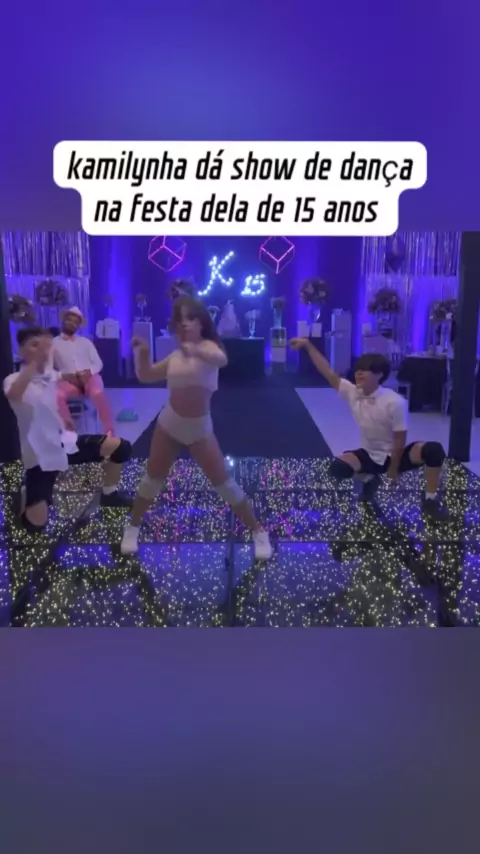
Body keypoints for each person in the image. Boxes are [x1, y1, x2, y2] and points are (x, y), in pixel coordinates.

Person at [121, 295, 273, 559]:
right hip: (169, 424)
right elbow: (146, 375)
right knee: (152, 479)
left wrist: (195, 350)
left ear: (202, 322)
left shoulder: (210, 348)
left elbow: (221, 359)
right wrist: (142, 353)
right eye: (180, 319)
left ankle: (258, 531)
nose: (184, 324)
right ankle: (132, 527)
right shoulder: (175, 355)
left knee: (224, 483)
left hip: (200, 429)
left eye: (190, 318)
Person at [289, 340, 449, 521]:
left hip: (395, 454)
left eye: (365, 370)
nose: (359, 373)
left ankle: (430, 499)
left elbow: (399, 440)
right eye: (358, 369)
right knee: (338, 468)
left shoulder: (395, 402)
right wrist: (307, 345)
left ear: (379, 375)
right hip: (370, 454)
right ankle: (369, 479)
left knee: (434, 450)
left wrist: (394, 470)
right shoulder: (352, 392)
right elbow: (326, 370)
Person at [3, 327, 132, 533]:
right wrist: (33, 363)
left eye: (45, 346)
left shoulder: (48, 376)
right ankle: (26, 496)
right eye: (34, 345)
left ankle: (109, 494)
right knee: (35, 525)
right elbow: (15, 394)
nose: (42, 350)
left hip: (66, 445)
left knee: (121, 447)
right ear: (21, 350)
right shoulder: (13, 380)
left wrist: (66, 415)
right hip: (40, 459)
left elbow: (61, 376)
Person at [52, 306, 115, 435]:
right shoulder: (53, 343)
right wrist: (63, 375)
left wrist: (89, 372)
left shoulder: (85, 342)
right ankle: (69, 431)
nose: (72, 323)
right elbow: (47, 369)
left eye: (76, 322)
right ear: (63, 320)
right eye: (69, 320)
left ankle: (109, 432)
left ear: (79, 325)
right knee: (57, 395)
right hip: (68, 380)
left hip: (89, 377)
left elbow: (98, 363)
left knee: (98, 393)